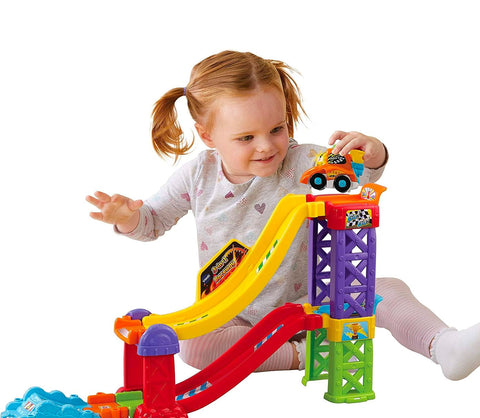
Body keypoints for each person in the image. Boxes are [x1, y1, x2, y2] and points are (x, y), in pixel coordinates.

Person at [86, 50, 480, 380]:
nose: (266, 146)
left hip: (313, 298)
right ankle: (302, 356)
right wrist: (125, 216)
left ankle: (444, 345)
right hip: (237, 314)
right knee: (194, 347)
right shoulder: (197, 174)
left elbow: (356, 173)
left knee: (388, 288)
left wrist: (373, 151)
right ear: (207, 135)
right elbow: (152, 222)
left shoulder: (300, 160)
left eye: (276, 128)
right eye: (246, 138)